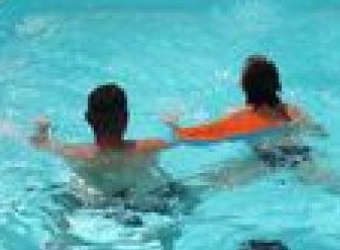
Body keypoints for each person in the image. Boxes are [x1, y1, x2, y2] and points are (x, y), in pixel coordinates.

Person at [165, 54, 319, 167]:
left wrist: (173, 125)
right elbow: (319, 132)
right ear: (277, 83)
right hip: (303, 155)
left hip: (268, 159)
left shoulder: (241, 119)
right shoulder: (293, 111)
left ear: (243, 85)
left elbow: (195, 138)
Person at [32, 82, 173, 193]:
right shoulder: (148, 148)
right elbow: (179, 137)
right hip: (143, 200)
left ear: (88, 118)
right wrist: (172, 123)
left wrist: (42, 129)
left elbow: (39, 144)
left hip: (94, 205)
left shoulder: (75, 153)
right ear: (126, 117)